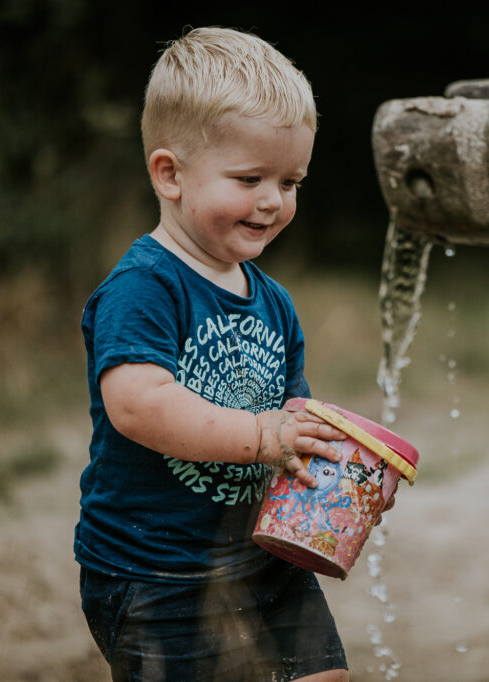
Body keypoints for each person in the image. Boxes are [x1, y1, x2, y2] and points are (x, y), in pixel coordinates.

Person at [75, 26, 365, 681]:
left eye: (291, 181)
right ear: (170, 174)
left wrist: (342, 474)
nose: (273, 200)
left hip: (263, 555)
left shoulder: (275, 302)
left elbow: (294, 421)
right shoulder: (145, 287)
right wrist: (261, 434)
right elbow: (138, 406)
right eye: (250, 177)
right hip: (154, 570)